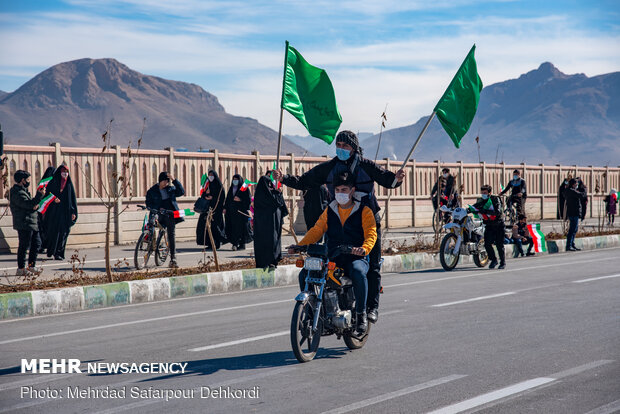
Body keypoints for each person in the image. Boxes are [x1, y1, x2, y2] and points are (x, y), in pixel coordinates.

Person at [275, 130, 405, 324]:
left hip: (365, 222)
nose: (341, 149)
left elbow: (387, 179)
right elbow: (305, 182)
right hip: (338, 220)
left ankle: (370, 309)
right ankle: (316, 308)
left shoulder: (366, 166)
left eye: (345, 146)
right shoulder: (330, 169)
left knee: (372, 267)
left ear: (354, 147)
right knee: (323, 263)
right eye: (339, 145)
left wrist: (398, 178)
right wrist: (284, 178)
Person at [288, 172, 377, 335]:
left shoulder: (364, 211)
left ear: (352, 191)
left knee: (358, 272)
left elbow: (371, 232)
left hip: (355, 255)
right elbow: (317, 230)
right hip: (333, 255)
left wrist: (364, 248)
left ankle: (361, 313)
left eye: (344, 189)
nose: (340, 193)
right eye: (337, 189)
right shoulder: (330, 210)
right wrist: (299, 245)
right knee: (304, 274)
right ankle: (311, 310)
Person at [146, 171, 185, 267]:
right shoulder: (152, 191)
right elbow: (148, 202)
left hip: (169, 215)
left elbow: (181, 192)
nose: (166, 183)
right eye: (165, 181)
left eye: (168, 181)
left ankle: (173, 258)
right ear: (160, 181)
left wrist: (174, 180)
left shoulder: (170, 189)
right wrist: (154, 208)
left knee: (171, 234)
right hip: (157, 214)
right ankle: (151, 245)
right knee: (150, 226)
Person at [10, 170, 44, 276]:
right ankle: (21, 268)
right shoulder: (17, 193)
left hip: (32, 222)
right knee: (24, 246)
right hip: (24, 223)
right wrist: (39, 195)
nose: (29, 181)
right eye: (27, 179)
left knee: (36, 244)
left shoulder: (24, 191)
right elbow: (28, 205)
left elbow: (32, 205)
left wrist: (35, 204)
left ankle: (31, 266)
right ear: (22, 180)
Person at [253, 171, 289, 269]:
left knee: (274, 240)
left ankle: (274, 260)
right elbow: (271, 202)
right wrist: (276, 195)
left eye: (270, 184)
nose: (270, 186)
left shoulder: (274, 192)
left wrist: (279, 193)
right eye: (268, 184)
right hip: (264, 226)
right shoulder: (261, 195)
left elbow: (281, 205)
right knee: (265, 243)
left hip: (274, 224)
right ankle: (264, 262)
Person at [44, 165, 78, 260]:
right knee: (53, 232)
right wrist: (53, 199)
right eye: (63, 171)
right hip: (54, 212)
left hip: (65, 213)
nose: (65, 173)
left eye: (67, 171)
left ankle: (59, 252)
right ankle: (51, 250)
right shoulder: (53, 182)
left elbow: (72, 200)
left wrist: (73, 212)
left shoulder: (69, 184)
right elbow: (47, 194)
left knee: (64, 233)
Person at [469, 185, 506, 269]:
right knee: (487, 244)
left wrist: (484, 211)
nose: (483, 194)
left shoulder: (495, 199)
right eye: (482, 193)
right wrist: (468, 210)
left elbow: (498, 212)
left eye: (485, 193)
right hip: (489, 225)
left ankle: (502, 262)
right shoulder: (481, 201)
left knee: (499, 245)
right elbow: (475, 206)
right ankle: (493, 260)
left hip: (499, 225)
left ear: (490, 193)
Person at [196, 170, 226, 249]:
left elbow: (222, 197)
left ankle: (216, 243)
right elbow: (202, 195)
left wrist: (213, 198)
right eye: (209, 175)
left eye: (212, 175)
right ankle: (209, 243)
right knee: (205, 227)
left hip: (216, 210)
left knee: (215, 227)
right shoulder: (207, 186)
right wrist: (206, 194)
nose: (210, 177)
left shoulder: (219, 186)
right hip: (207, 209)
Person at [224, 173, 252, 251]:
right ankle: (235, 243)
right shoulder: (231, 188)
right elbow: (228, 199)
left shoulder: (244, 188)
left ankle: (242, 244)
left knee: (241, 228)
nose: (235, 181)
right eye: (234, 179)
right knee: (233, 228)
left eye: (236, 180)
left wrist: (241, 200)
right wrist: (225, 208)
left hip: (241, 212)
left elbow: (248, 200)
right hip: (232, 212)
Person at [564, 178, 586, 251]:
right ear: (573, 184)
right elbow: (582, 195)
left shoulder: (567, 191)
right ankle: (569, 245)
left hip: (571, 212)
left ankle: (572, 244)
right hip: (574, 212)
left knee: (574, 229)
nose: (577, 185)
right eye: (576, 184)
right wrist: (584, 189)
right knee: (572, 230)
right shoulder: (572, 191)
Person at [37, 166, 56, 253]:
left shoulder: (42, 182)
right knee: (46, 228)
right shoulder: (49, 182)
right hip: (47, 209)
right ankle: (45, 245)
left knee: (43, 227)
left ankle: (42, 245)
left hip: (42, 208)